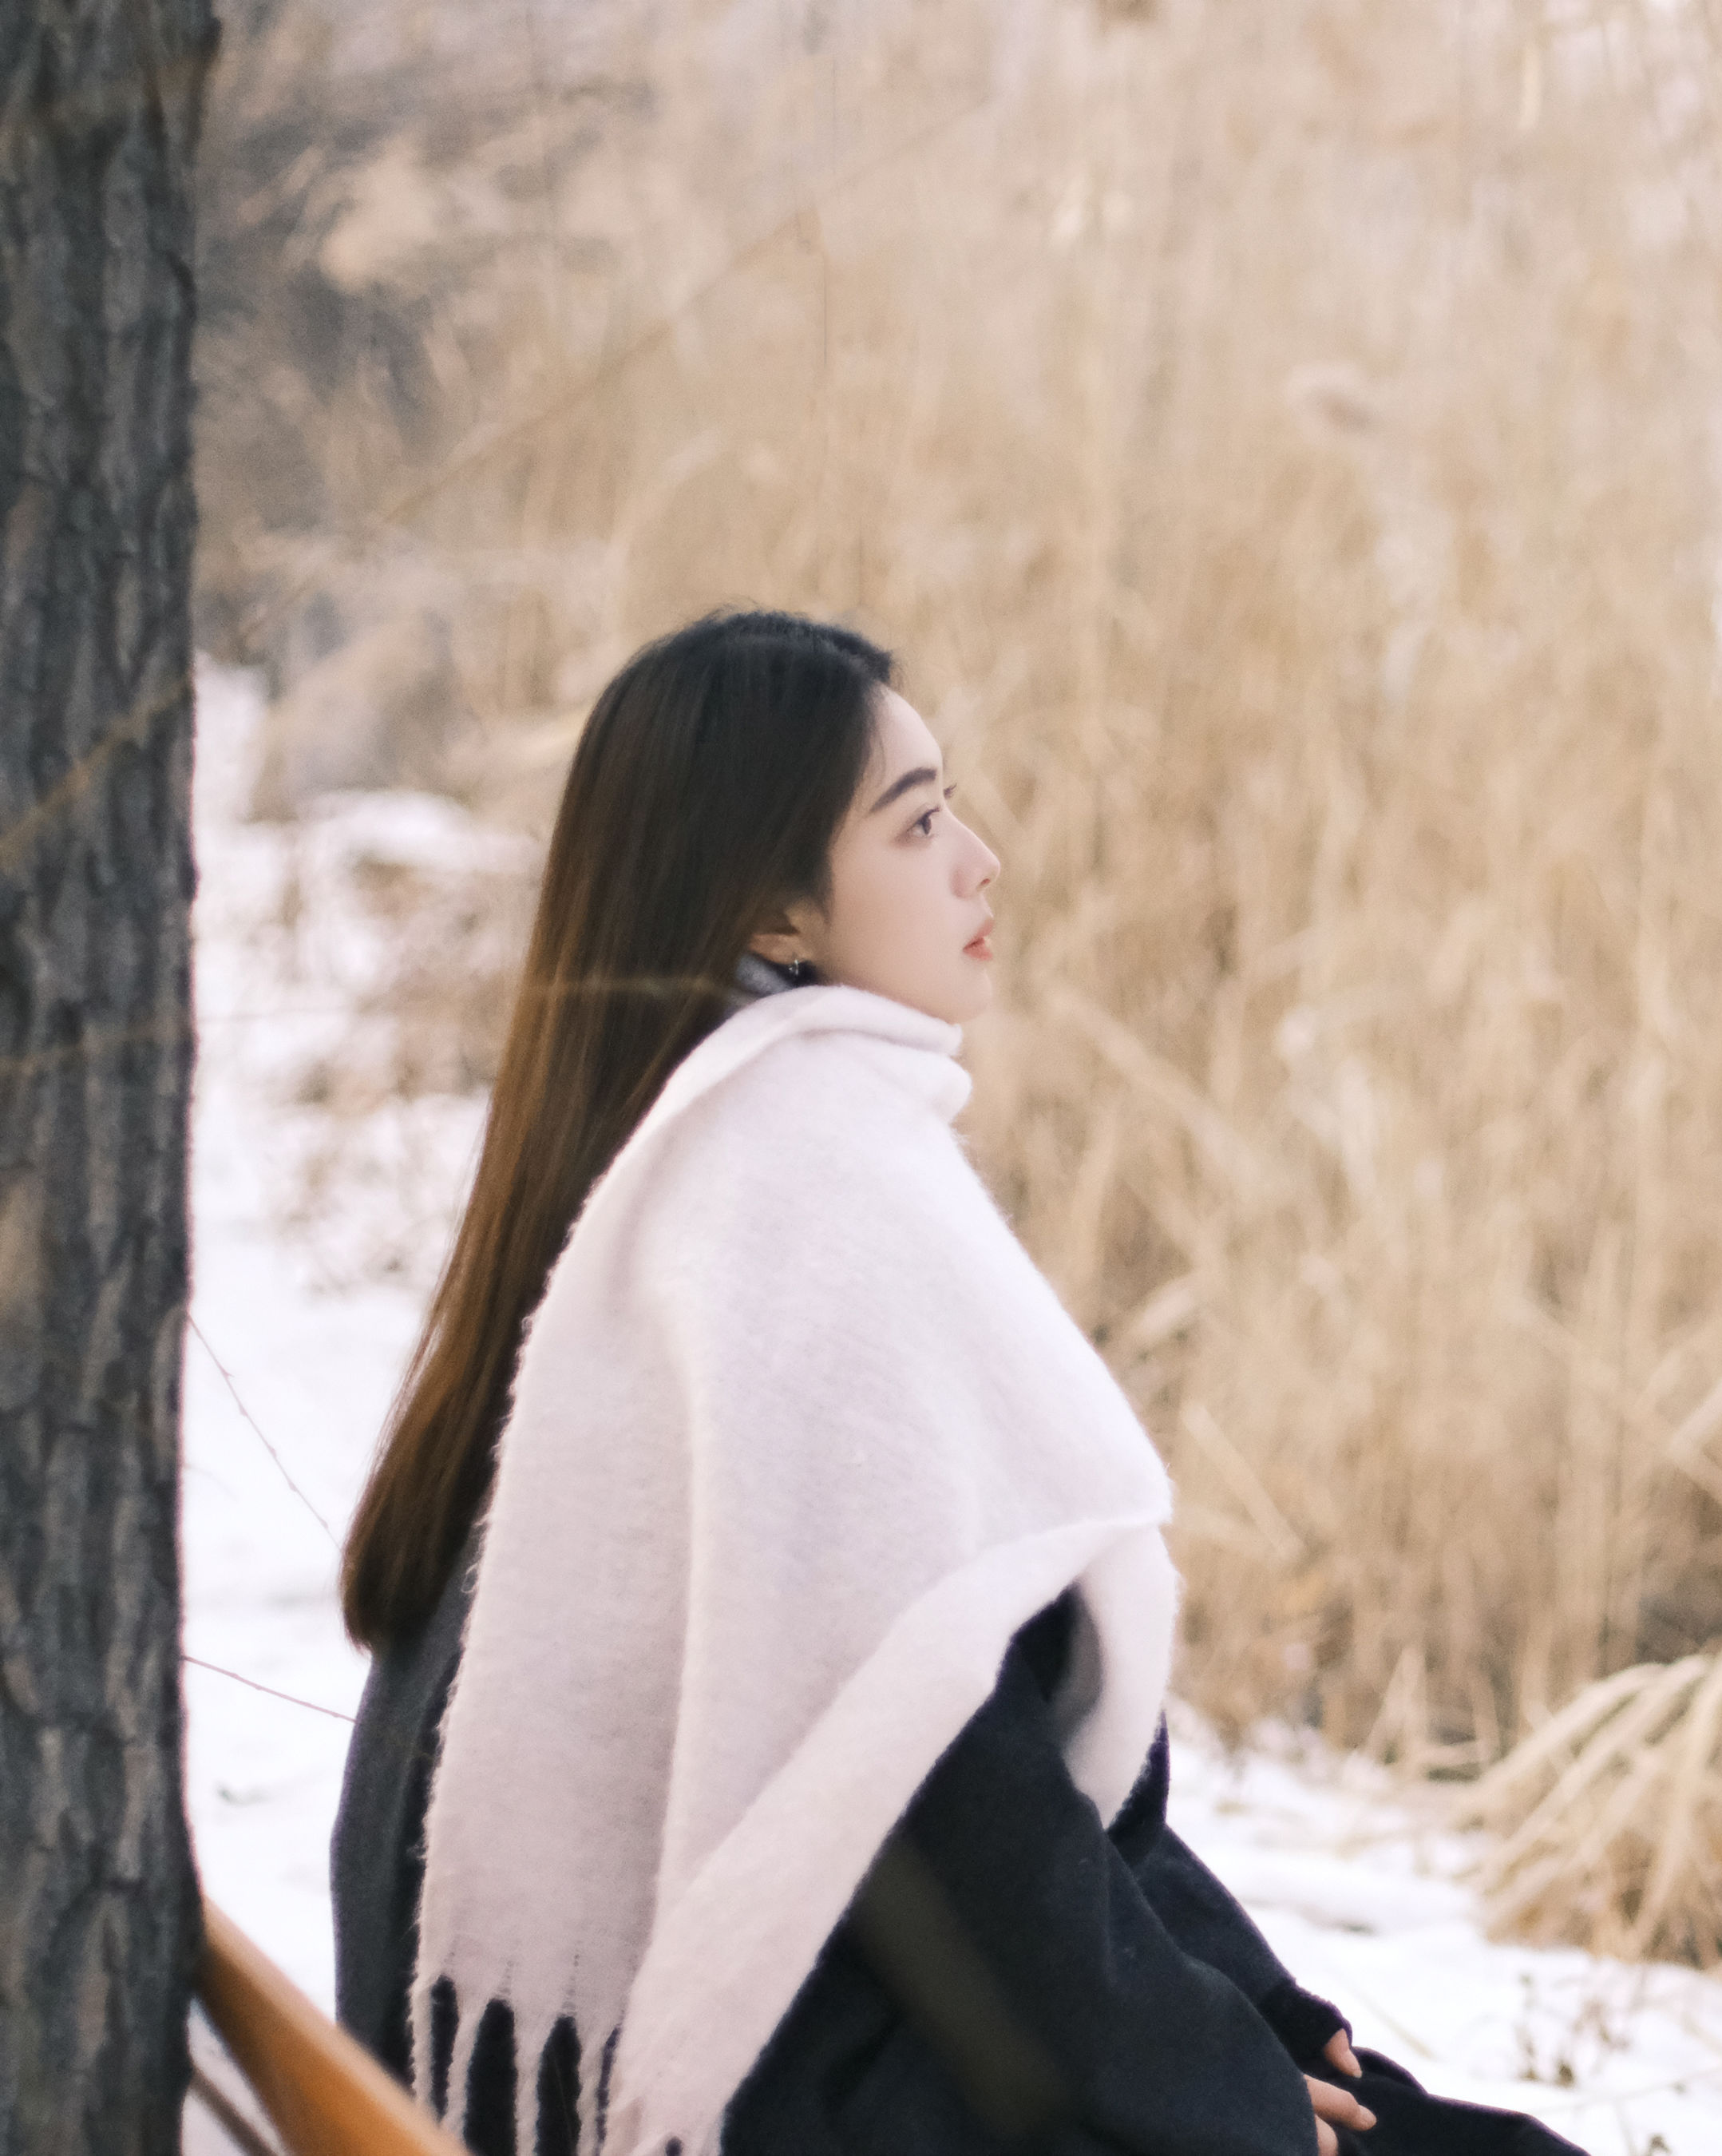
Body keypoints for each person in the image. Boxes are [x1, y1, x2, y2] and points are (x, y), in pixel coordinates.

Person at [330, 610, 1581, 2156]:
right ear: (774, 912)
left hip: (661, 2054)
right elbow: (953, 1789)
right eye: (916, 825)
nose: (981, 861)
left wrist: (1246, 2007)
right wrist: (1233, 2088)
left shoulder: (654, 1167)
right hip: (781, 2091)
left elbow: (988, 1774)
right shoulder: (800, 1187)